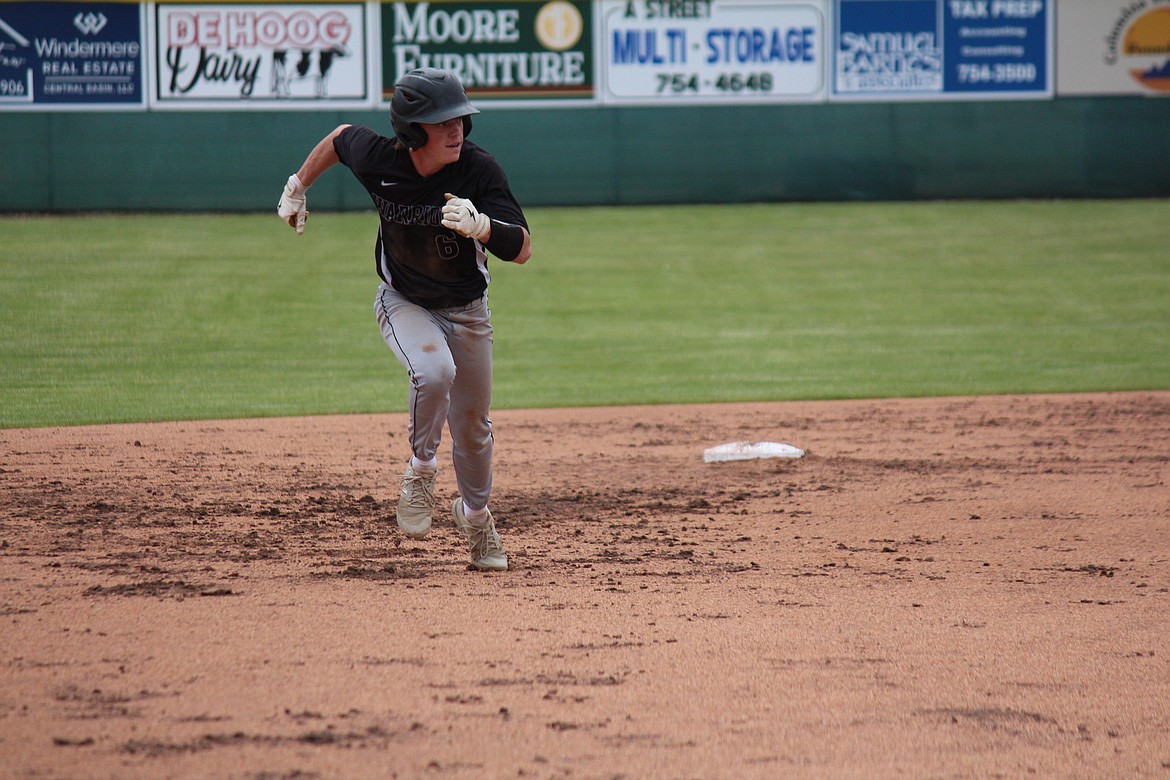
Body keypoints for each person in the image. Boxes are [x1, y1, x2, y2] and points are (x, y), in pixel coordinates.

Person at [277, 68, 532, 571]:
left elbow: (523, 249)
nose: (456, 129)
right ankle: (420, 471)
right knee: (434, 372)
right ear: (414, 131)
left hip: (467, 312)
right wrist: (297, 186)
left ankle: (477, 521)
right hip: (404, 302)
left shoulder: (479, 170)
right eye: (442, 122)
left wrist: (483, 228)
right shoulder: (380, 160)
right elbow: (339, 139)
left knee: (474, 428)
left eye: (460, 119)